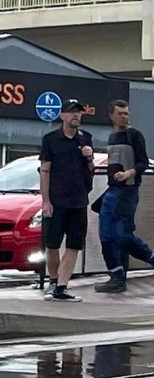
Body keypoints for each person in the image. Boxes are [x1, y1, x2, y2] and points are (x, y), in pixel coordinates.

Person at [95, 99, 154, 294]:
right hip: (112, 191)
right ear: (112, 115)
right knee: (106, 236)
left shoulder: (134, 135)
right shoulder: (112, 137)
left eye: (126, 113)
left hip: (127, 191)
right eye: (120, 113)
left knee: (122, 235)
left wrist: (129, 173)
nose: (124, 117)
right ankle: (117, 276)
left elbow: (143, 162)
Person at [39, 98, 94, 302]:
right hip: (56, 199)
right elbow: (45, 171)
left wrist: (89, 158)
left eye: (79, 112)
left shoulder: (85, 138)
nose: (76, 116)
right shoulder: (51, 139)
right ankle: (53, 282)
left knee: (74, 244)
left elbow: (90, 171)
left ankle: (61, 287)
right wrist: (46, 201)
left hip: (79, 200)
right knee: (52, 244)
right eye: (72, 112)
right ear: (62, 116)